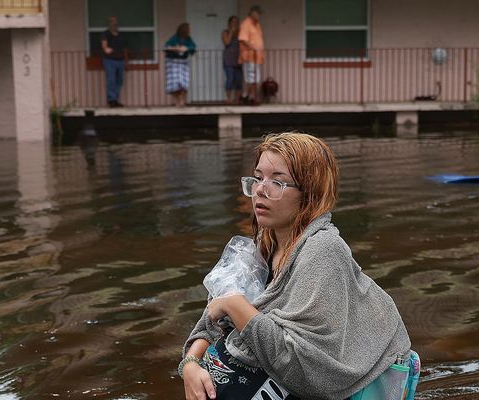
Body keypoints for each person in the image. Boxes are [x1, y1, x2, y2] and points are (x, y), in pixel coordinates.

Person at [179, 133, 419, 400]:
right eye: (258, 178)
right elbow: (211, 317)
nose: (260, 190)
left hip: (344, 383)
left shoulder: (323, 250)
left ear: (310, 193)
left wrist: (235, 306)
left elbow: (307, 371)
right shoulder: (262, 244)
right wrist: (190, 363)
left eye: (277, 182)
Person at [237, 6, 265, 106]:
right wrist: (253, 48)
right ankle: (250, 97)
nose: (259, 16)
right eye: (258, 14)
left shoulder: (257, 24)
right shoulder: (246, 24)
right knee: (251, 78)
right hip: (249, 56)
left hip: (257, 56)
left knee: (255, 78)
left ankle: (247, 97)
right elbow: (242, 39)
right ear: (253, 13)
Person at [165, 23, 197, 107]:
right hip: (173, 62)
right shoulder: (174, 38)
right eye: (189, 29)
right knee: (175, 83)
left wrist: (187, 48)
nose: (190, 31)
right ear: (184, 30)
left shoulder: (188, 39)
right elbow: (166, 46)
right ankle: (177, 102)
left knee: (184, 82)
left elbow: (193, 46)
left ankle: (183, 101)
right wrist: (175, 48)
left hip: (183, 62)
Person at [100, 16, 127, 108]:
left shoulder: (121, 35)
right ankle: (111, 100)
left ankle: (115, 99)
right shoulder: (105, 34)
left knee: (119, 81)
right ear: (109, 23)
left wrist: (126, 61)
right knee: (111, 80)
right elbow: (104, 44)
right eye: (112, 21)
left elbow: (124, 48)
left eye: (115, 22)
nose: (114, 23)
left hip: (120, 60)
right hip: (110, 60)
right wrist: (106, 49)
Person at [221, 16, 243, 104]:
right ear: (229, 23)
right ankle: (228, 98)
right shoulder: (225, 32)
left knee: (238, 80)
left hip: (238, 59)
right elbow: (226, 43)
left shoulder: (240, 33)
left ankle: (237, 99)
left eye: (236, 21)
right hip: (228, 60)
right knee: (230, 79)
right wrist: (231, 32)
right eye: (233, 21)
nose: (235, 23)